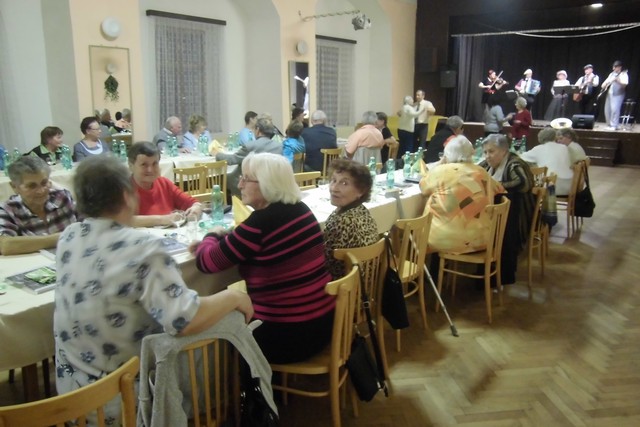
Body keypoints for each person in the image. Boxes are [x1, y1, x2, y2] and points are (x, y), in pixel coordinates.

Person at [54, 155, 253, 424]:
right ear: (128, 195)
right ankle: (230, 409)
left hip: (71, 396)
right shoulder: (143, 248)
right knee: (227, 325)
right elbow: (184, 319)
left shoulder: (69, 236)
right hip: (123, 398)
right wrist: (233, 297)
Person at [192, 152, 335, 364]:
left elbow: (206, 262)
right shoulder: (301, 209)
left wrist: (211, 235)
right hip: (323, 324)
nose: (239, 184)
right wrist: (225, 237)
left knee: (218, 318)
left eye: (246, 179)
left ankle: (243, 382)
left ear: (267, 184)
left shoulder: (260, 223)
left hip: (289, 335)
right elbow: (247, 240)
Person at [420, 135, 504, 254]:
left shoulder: (441, 171)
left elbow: (423, 189)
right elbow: (500, 188)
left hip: (445, 240)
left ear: (447, 155)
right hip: (482, 239)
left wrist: (440, 164)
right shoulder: (481, 171)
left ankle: (427, 264)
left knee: (417, 224)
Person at [479, 134, 535, 285]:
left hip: (519, 214)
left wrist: (496, 186)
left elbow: (523, 183)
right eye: (485, 152)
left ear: (504, 151)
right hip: (498, 212)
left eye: (491, 151)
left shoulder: (515, 164)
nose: (487, 156)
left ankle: (498, 270)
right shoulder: (487, 164)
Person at [0, 156, 78, 255]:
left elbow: (88, 224)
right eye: (32, 186)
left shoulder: (62, 197)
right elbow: (5, 245)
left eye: (44, 183)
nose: (41, 191)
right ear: (14, 187)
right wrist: (63, 237)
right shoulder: (8, 210)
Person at [323, 159, 379, 279]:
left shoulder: (343, 221)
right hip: (367, 283)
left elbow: (327, 262)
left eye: (344, 183)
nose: (334, 188)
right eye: (333, 180)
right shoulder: (362, 210)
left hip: (345, 285)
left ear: (361, 191)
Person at [128, 142, 202, 227]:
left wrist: (196, 208)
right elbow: (123, 220)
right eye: (144, 165)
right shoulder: (124, 189)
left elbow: (193, 203)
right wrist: (163, 219)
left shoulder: (164, 183)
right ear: (131, 166)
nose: (150, 170)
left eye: (155, 164)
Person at [211, 117, 282, 196]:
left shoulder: (250, 146)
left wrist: (217, 154)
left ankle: (229, 202)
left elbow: (231, 160)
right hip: (271, 184)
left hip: (250, 182)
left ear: (258, 130)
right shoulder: (279, 146)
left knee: (221, 179)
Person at [520, 127, 573, 195]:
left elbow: (521, 157)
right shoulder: (564, 147)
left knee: (527, 187)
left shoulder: (539, 149)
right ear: (554, 137)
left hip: (552, 188)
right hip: (569, 186)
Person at [602, 60, 629, 130]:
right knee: (607, 110)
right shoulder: (611, 74)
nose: (613, 68)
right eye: (613, 67)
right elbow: (604, 83)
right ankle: (609, 124)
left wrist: (618, 81)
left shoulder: (623, 74)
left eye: (615, 67)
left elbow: (625, 84)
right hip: (610, 94)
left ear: (620, 67)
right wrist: (604, 84)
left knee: (615, 110)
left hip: (618, 94)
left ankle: (614, 125)